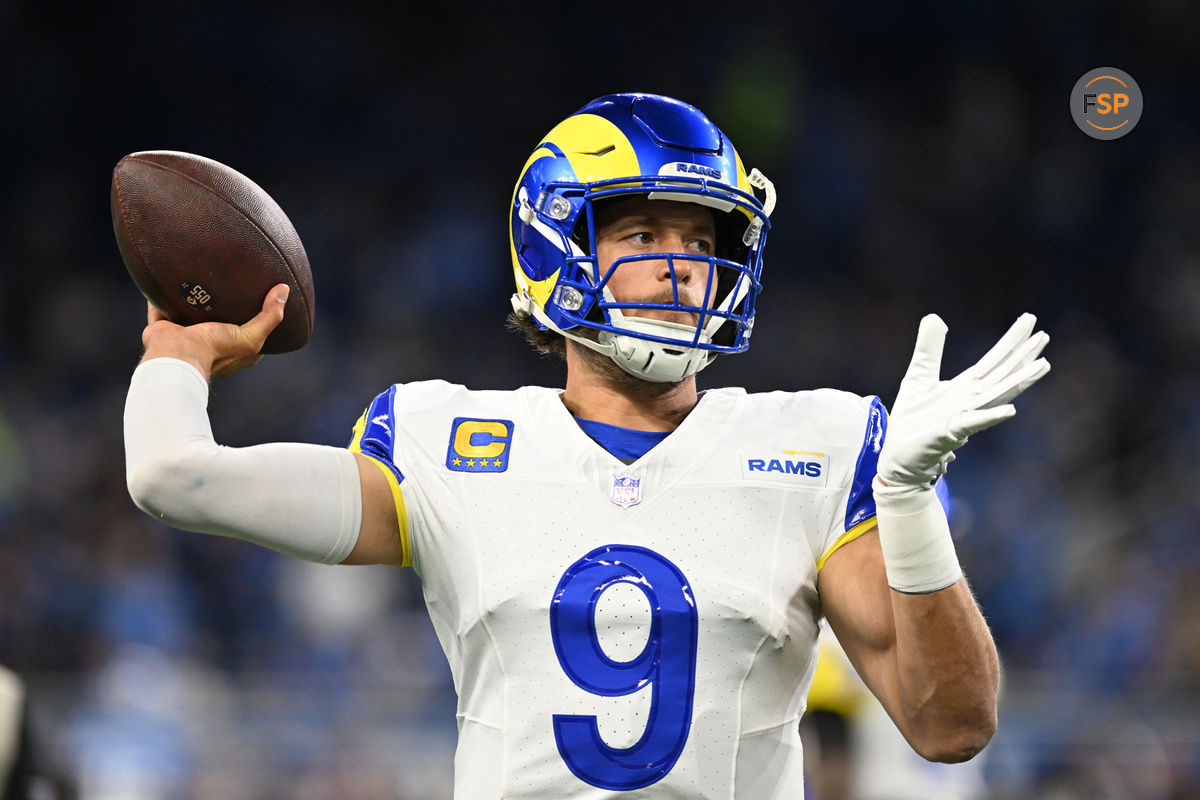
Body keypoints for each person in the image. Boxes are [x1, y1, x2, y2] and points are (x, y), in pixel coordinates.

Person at [123, 93, 1050, 799]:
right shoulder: (447, 442)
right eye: (642, 231)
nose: (682, 262)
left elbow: (950, 724)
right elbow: (172, 475)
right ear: (554, 243)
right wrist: (178, 349)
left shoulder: (818, 443)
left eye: (702, 236)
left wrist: (912, 503)